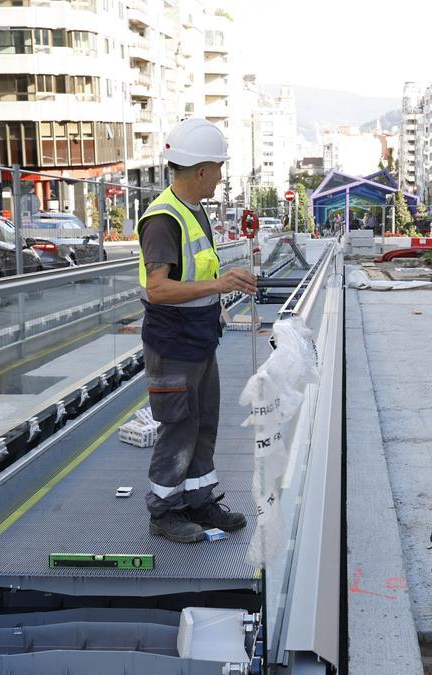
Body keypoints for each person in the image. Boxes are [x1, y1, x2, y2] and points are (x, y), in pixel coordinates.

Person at [137, 117, 259, 542]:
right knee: (178, 427)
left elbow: (196, 273)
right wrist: (220, 284)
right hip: (173, 344)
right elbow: (157, 289)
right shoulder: (163, 220)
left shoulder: (193, 211)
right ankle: (164, 513)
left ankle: (199, 501)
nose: (221, 177)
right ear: (202, 170)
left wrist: (226, 279)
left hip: (199, 340)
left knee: (203, 423)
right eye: (219, 168)